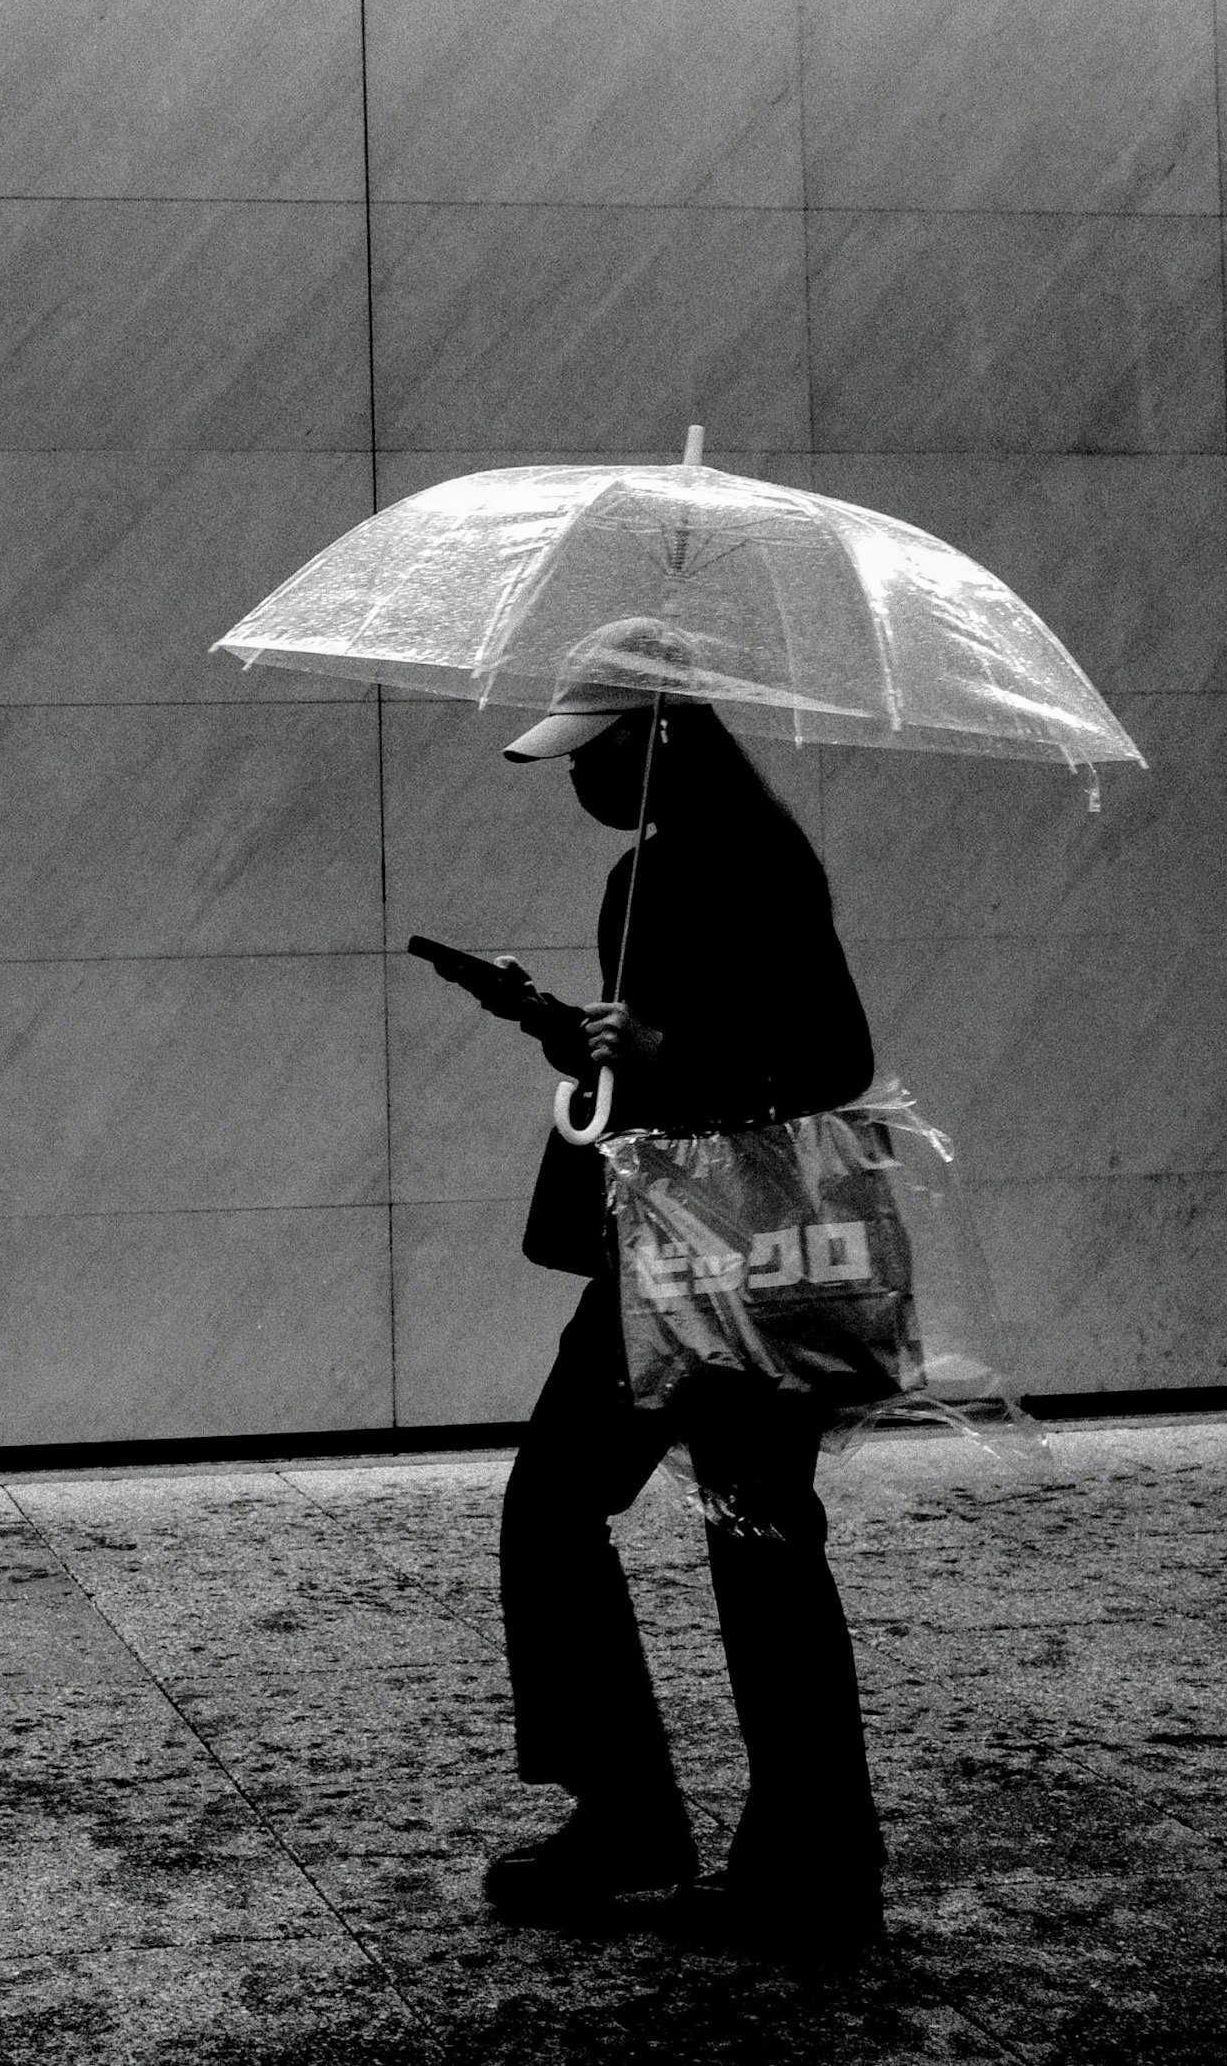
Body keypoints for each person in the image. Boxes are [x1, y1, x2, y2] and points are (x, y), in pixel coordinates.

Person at [482, 692, 886, 1960]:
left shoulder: (756, 863)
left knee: (675, 1522)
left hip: (739, 1253)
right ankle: (759, 1848)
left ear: (655, 740)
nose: (572, 781)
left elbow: (831, 1060)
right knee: (674, 1523)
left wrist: (663, 1045)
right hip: (664, 1247)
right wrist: (581, 1035)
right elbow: (655, 1076)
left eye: (587, 754)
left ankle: (727, 1845)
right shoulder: (640, 877)